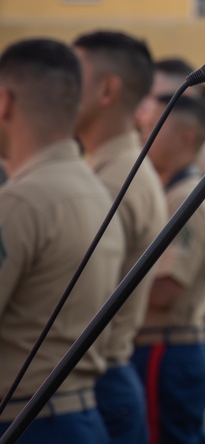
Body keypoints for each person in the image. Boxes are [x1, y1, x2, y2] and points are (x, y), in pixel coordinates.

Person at [0, 38, 124, 443]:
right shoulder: (96, 191)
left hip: (26, 420)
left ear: (5, 101)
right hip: (75, 411)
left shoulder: (21, 202)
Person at [73, 30, 170, 444]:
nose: (58, 85)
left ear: (107, 90)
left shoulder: (116, 181)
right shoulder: (112, 169)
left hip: (97, 381)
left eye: (72, 74)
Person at [131, 94, 205, 444]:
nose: (143, 132)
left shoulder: (185, 199)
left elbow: (166, 290)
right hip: (167, 348)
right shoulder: (176, 191)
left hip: (164, 349)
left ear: (185, 137)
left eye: (154, 125)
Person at [136, 56, 205, 352]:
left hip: (181, 311)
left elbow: (192, 237)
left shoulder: (202, 158)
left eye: (161, 98)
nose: (147, 110)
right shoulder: (175, 152)